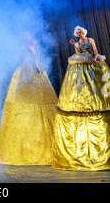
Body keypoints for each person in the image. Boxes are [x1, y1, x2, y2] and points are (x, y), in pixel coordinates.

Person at [53, 26, 110, 170]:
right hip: (81, 63)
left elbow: (95, 51)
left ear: (83, 32)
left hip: (91, 60)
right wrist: (74, 45)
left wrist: (96, 59)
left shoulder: (90, 39)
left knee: (96, 78)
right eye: (77, 33)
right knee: (79, 77)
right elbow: (78, 54)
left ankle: (96, 94)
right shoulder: (77, 43)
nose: (79, 34)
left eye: (80, 32)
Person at [0, 31, 58, 165]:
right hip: (23, 73)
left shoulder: (35, 45)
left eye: (27, 35)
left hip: (36, 71)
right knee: (20, 101)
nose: (25, 37)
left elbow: (40, 59)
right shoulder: (20, 47)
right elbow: (16, 58)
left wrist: (34, 53)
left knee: (43, 101)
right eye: (23, 36)